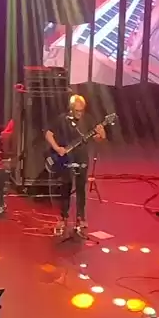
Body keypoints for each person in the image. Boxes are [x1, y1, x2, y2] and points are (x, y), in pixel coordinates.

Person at [45, 94, 106, 239]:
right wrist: (57, 148)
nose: (80, 113)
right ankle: (63, 217)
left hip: (82, 158)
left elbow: (99, 139)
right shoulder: (62, 119)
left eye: (81, 110)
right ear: (71, 109)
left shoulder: (88, 120)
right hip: (66, 158)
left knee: (80, 189)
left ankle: (80, 217)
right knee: (65, 188)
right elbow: (48, 134)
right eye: (77, 110)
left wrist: (101, 133)